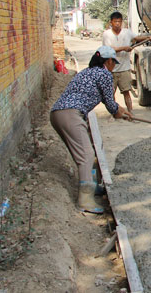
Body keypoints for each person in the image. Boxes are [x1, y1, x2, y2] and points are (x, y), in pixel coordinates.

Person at [50, 45, 135, 213]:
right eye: (113, 62)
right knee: (86, 155)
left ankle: (92, 186)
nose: (114, 66)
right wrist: (120, 113)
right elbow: (110, 103)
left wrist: (120, 111)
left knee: (84, 153)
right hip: (71, 114)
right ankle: (85, 200)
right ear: (108, 61)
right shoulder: (104, 74)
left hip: (57, 114)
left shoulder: (86, 72)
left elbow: (109, 103)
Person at [102, 12, 150, 113]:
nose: (117, 24)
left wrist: (147, 37)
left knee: (126, 92)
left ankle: (130, 112)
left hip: (125, 68)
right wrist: (124, 48)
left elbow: (137, 38)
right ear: (111, 22)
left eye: (119, 21)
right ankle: (114, 113)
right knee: (111, 94)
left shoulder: (127, 32)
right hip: (111, 69)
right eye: (115, 21)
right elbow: (109, 50)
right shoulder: (106, 34)